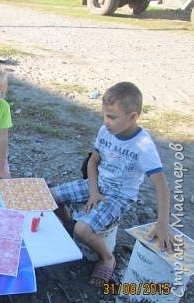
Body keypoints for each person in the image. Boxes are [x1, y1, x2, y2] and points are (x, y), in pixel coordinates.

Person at [52, 82, 174, 287]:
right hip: (97, 185)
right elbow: (93, 161)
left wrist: (162, 223)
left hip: (118, 196)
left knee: (83, 229)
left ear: (133, 116)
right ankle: (67, 226)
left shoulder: (143, 145)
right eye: (104, 116)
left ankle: (107, 258)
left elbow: (161, 185)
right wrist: (93, 192)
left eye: (112, 117)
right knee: (49, 195)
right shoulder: (105, 131)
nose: (106, 122)